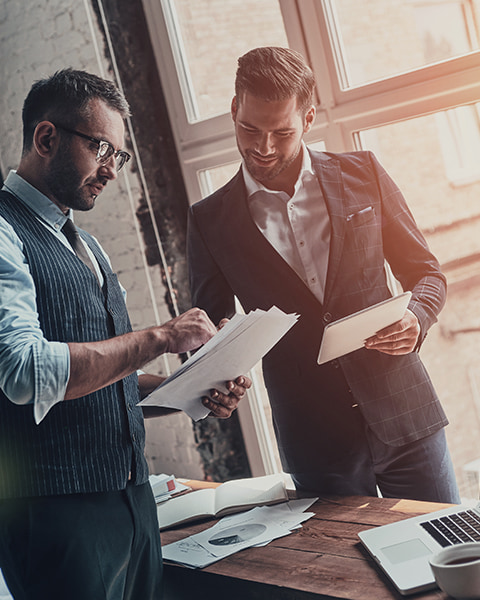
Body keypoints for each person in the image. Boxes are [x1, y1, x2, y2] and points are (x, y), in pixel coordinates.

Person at [0, 68, 251, 600]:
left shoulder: (89, 247)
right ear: (46, 138)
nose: (111, 170)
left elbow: (108, 381)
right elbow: (22, 371)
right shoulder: (3, 231)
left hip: (133, 500)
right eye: (101, 149)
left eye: (119, 156)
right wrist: (160, 336)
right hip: (54, 515)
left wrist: (188, 393)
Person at [187, 46, 460, 504]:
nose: (263, 147)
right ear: (234, 108)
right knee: (346, 574)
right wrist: (215, 382)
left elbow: (426, 273)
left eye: (282, 132)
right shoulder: (209, 220)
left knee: (448, 551)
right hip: (314, 439)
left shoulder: (364, 173)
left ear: (309, 118)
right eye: (249, 128)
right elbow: (208, 335)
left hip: (404, 410)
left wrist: (416, 315)